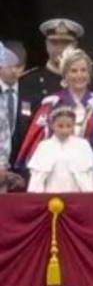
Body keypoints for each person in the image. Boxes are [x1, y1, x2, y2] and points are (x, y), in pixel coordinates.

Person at [17, 49, 93, 181]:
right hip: (58, 175)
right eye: (73, 71)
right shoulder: (52, 104)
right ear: (65, 75)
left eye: (83, 70)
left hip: (91, 175)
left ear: (90, 73)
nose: (79, 75)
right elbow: (39, 144)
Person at [27, 106, 93, 193]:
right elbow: (36, 179)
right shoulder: (44, 146)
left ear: (73, 125)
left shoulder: (83, 145)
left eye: (68, 126)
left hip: (76, 198)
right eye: (60, 126)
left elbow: (89, 178)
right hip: (50, 197)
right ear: (52, 125)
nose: (64, 130)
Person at [19, 18, 84, 110]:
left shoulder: (85, 79)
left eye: (65, 43)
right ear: (47, 45)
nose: (60, 49)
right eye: (54, 43)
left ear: (75, 45)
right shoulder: (30, 81)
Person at [0, 43, 29, 190]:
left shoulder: (32, 94)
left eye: (18, 66)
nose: (14, 71)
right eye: (9, 66)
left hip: (22, 170)